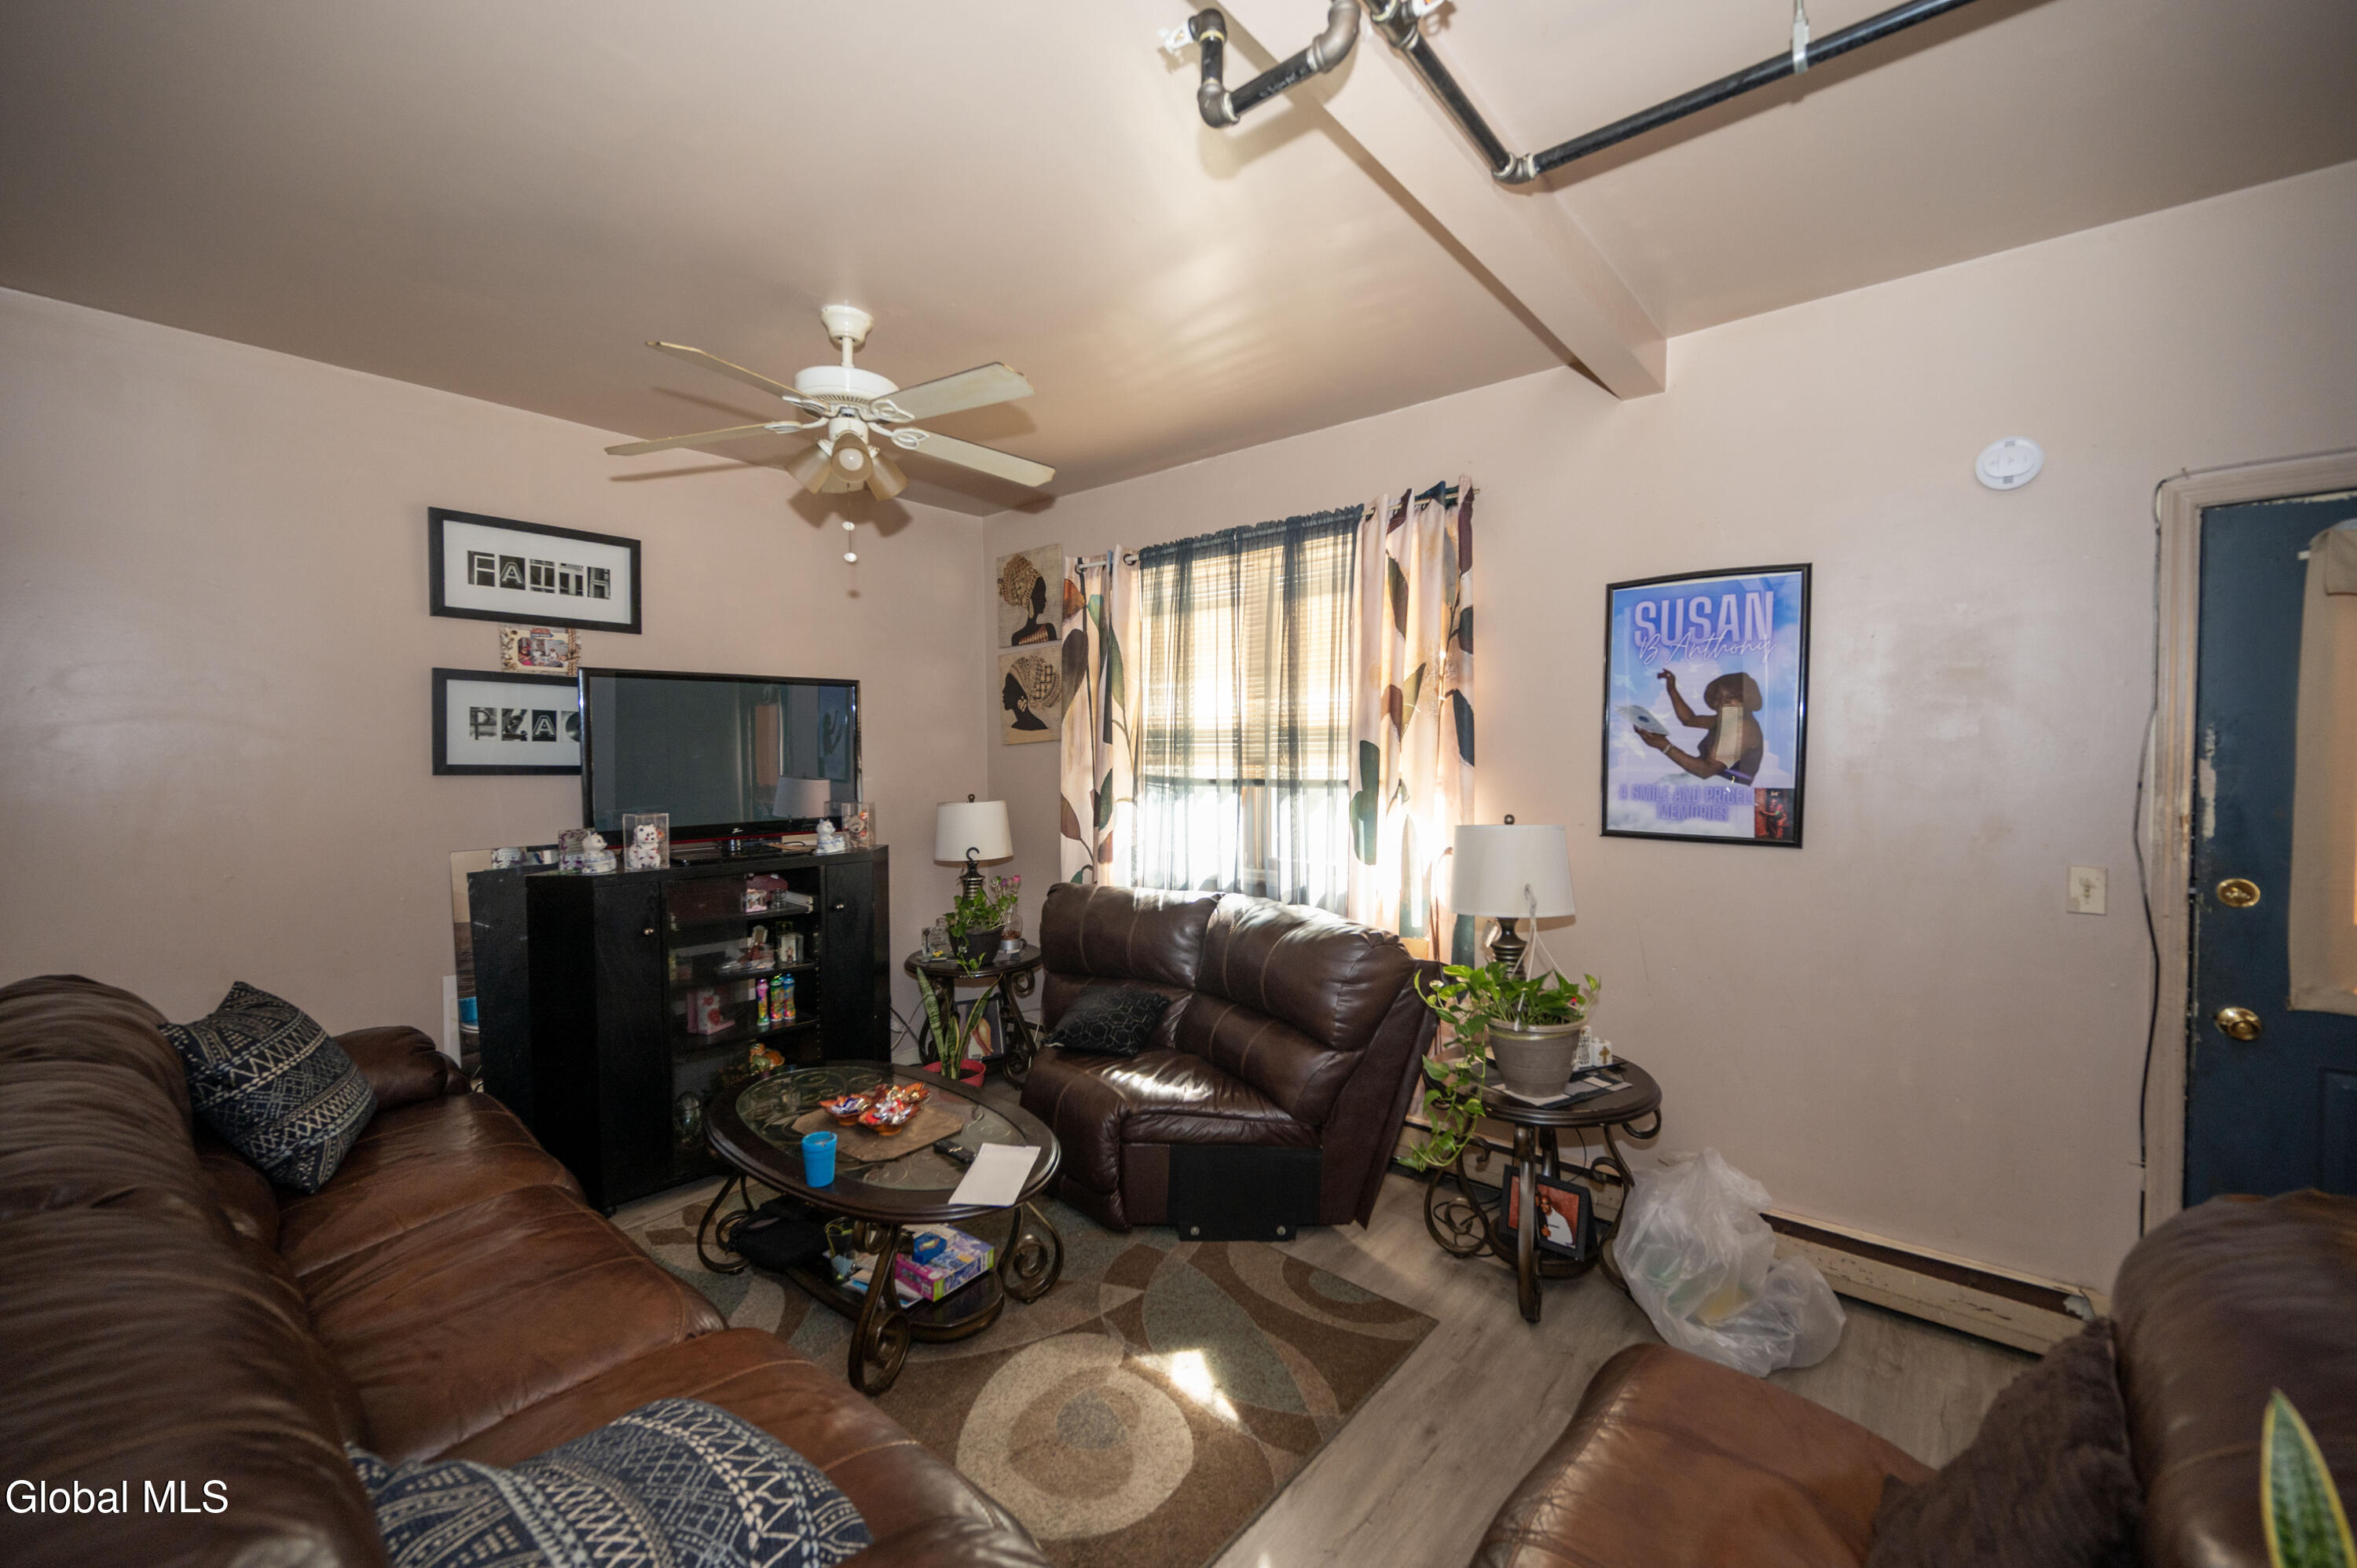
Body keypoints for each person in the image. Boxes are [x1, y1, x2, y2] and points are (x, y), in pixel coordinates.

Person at [1637, 669, 1764, 783]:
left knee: (1664, 785)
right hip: (1713, 783)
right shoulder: (1730, 718)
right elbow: (1689, 720)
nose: (1721, 703)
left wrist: (1664, 745)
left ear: (1747, 699)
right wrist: (1672, 689)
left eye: (1729, 699)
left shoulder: (1740, 727)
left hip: (1726, 788)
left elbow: (1706, 771)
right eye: (1719, 698)